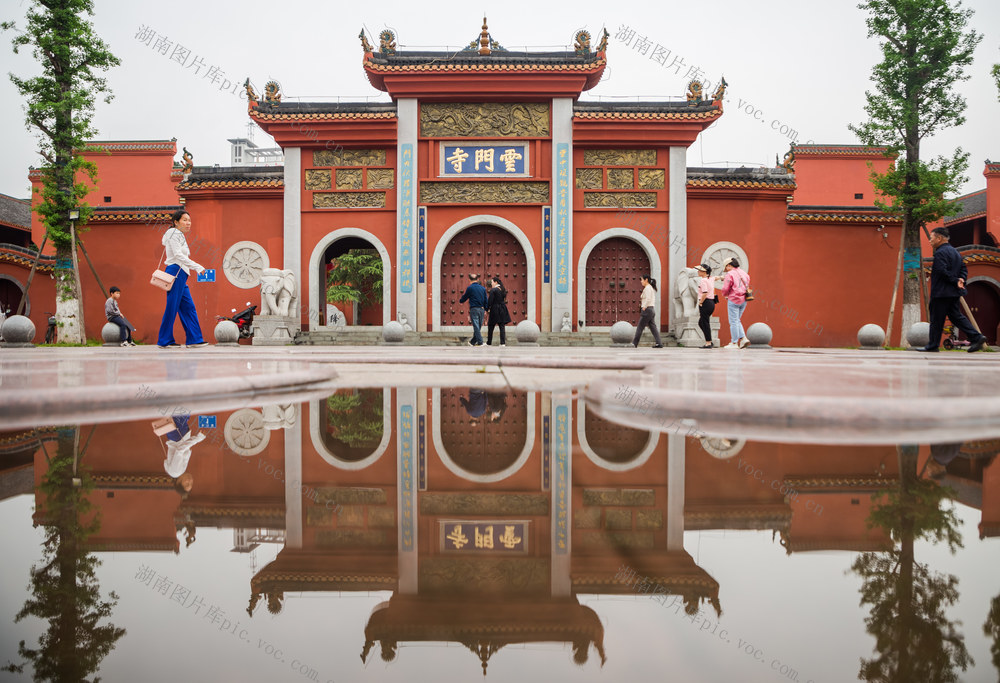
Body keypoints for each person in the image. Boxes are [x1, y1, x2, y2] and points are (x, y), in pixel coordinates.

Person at [919, 226, 986, 353]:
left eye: (931, 238)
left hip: (941, 293)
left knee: (936, 319)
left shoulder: (940, 253)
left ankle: (932, 345)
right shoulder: (955, 252)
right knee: (956, 317)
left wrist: (956, 280)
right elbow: (963, 270)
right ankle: (977, 337)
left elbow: (942, 271)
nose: (930, 240)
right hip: (953, 292)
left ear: (939, 238)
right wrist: (961, 280)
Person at [157, 209, 209, 349]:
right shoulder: (174, 233)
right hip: (176, 272)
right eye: (185, 220)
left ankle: (194, 339)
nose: (188, 223)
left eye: (189, 220)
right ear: (176, 222)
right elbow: (178, 255)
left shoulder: (177, 234)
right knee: (172, 307)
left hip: (181, 274)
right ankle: (164, 340)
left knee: (188, 307)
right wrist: (197, 267)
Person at [718, 258, 750, 349]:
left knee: (733, 321)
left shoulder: (730, 274)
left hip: (733, 299)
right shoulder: (745, 274)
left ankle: (734, 342)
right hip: (744, 299)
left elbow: (725, 288)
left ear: (729, 265)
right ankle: (743, 338)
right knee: (737, 320)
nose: (726, 270)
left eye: (726, 267)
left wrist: (725, 295)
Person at [631, 275, 663, 348]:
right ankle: (659, 343)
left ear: (646, 280)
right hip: (651, 310)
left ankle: (634, 343)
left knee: (640, 327)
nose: (641, 281)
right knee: (653, 327)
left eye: (642, 280)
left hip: (647, 310)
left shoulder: (648, 288)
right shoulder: (649, 288)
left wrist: (644, 307)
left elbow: (648, 299)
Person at [458, 272, 488, 346]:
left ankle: (477, 342)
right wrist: (486, 309)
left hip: (474, 309)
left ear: (469, 280)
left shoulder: (470, 288)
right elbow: (486, 300)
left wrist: (461, 301)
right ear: (477, 279)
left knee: (476, 326)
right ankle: (474, 342)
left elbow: (465, 297)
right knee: (478, 326)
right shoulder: (483, 288)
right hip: (481, 309)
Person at [486, 276, 512, 346]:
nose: (491, 283)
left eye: (492, 282)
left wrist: (487, 308)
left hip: (495, 309)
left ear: (495, 282)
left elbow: (490, 301)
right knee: (502, 326)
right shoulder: (503, 289)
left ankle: (489, 342)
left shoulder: (493, 290)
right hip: (502, 308)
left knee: (491, 326)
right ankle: (502, 343)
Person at [695, 264, 715, 348]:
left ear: (704, 272)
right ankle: (709, 339)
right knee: (701, 322)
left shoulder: (703, 280)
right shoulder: (710, 278)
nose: (698, 271)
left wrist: (700, 303)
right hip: (711, 303)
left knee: (705, 323)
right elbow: (717, 277)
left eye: (700, 270)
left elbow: (705, 293)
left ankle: (708, 342)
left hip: (705, 303)